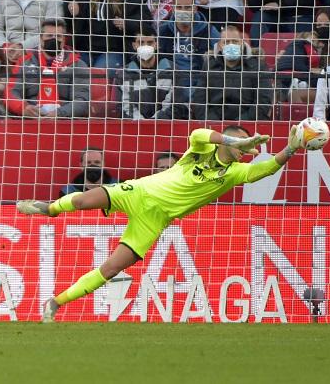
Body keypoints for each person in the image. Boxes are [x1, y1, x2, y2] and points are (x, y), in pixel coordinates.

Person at [17, 125, 304, 323]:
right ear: (226, 140)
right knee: (81, 201)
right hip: (138, 191)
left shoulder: (234, 172)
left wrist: (291, 148)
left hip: (155, 219)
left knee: (111, 268)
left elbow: (266, 169)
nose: (245, 149)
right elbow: (198, 133)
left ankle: (55, 303)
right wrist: (233, 141)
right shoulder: (201, 150)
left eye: (247, 144)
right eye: (242, 142)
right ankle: (51, 209)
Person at [2, 19, 90, 119]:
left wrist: (60, 113)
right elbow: (11, 92)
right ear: (40, 38)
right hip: (29, 119)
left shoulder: (77, 64)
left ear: (64, 40)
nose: (54, 39)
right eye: (49, 36)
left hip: (65, 121)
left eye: (58, 36)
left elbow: (82, 100)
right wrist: (23, 108)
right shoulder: (24, 62)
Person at [157, 0, 220, 119]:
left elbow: (221, 54)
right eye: (179, 7)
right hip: (172, 85)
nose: (183, 11)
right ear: (173, 8)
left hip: (201, 84)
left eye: (187, 7)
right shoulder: (163, 30)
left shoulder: (208, 30)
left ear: (195, 9)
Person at [192, 24, 273, 121]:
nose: (231, 45)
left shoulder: (258, 66)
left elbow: (263, 101)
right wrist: (214, 122)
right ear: (220, 46)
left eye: (235, 41)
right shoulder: (209, 65)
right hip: (214, 123)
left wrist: (240, 123)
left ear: (242, 43)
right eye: (226, 42)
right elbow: (199, 100)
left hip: (248, 123)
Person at [116, 27, 174, 120]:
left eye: (150, 43)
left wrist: (155, 120)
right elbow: (124, 105)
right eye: (141, 43)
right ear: (134, 45)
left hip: (165, 124)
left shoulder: (172, 69)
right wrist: (141, 122)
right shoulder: (124, 73)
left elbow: (173, 104)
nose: (145, 46)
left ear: (156, 45)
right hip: (136, 125)